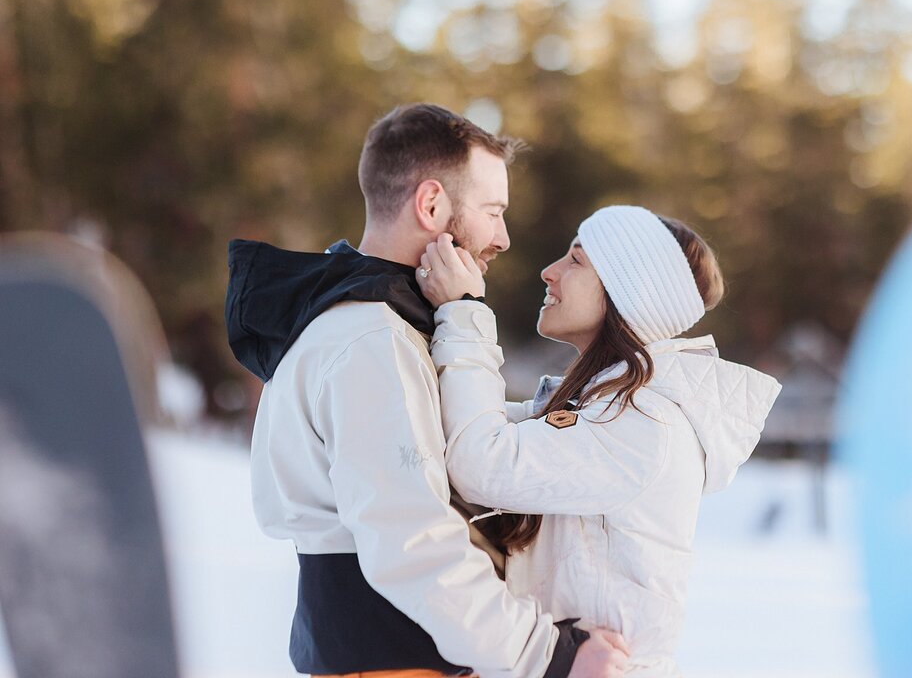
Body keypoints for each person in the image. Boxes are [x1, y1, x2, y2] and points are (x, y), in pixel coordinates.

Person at [225, 104, 627, 678]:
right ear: (432, 205)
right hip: (392, 660)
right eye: (493, 212)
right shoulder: (370, 342)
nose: (503, 237)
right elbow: (412, 539)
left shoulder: (377, 328)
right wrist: (550, 655)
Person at [415, 205, 782, 676]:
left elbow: (482, 461)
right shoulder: (603, 409)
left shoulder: (643, 423)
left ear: (628, 294)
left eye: (576, 260)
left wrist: (464, 312)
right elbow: (471, 426)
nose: (549, 272)